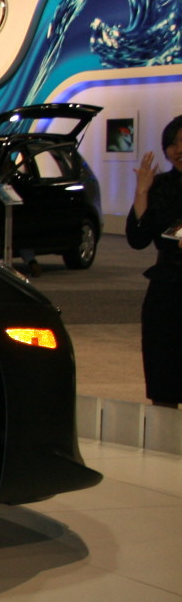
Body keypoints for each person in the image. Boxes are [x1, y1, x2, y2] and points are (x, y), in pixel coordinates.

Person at [126, 114, 182, 408]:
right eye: (173, 143)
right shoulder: (160, 185)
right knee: (164, 367)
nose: (178, 150)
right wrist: (142, 191)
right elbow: (138, 239)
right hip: (167, 286)